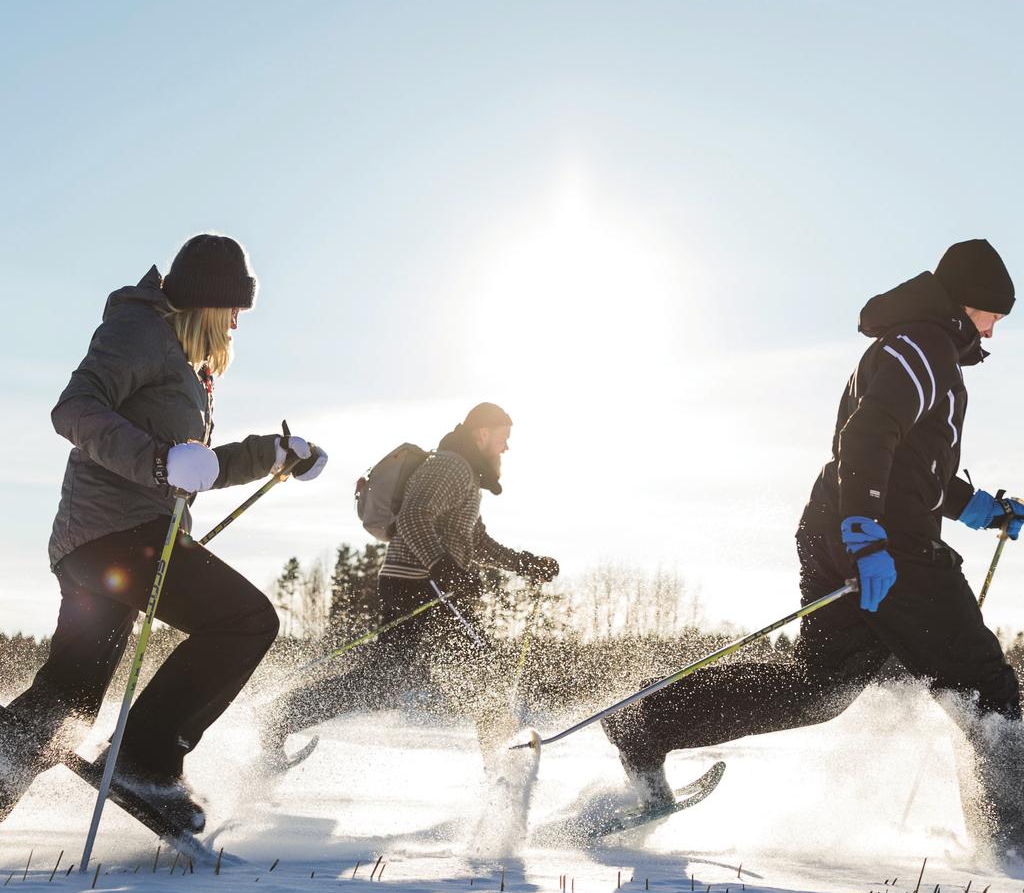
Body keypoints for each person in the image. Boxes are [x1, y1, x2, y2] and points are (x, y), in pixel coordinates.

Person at [605, 238, 1024, 857]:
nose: (993, 330)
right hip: (886, 545)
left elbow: (914, 472)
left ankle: (646, 721)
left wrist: (979, 508)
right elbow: (865, 440)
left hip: (850, 529)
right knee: (987, 687)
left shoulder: (918, 345)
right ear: (967, 305)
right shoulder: (924, 347)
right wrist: (867, 535)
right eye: (993, 314)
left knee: (817, 688)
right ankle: (1012, 845)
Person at [0, 235, 328, 832]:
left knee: (64, 704)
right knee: (246, 620)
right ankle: (144, 760)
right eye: (233, 309)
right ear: (206, 300)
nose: (236, 323)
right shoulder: (140, 331)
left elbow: (196, 467)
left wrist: (274, 455)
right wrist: (158, 462)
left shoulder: (183, 364)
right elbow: (73, 408)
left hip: (106, 542)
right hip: (116, 535)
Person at [257, 402, 558, 765]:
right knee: (485, 670)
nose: (506, 447)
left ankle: (282, 716)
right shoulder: (451, 466)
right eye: (503, 438)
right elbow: (414, 516)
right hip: (424, 584)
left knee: (384, 682)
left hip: (419, 582)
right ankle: (505, 767)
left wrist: (523, 563)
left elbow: (475, 541)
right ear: (482, 433)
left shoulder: (463, 473)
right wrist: (443, 568)